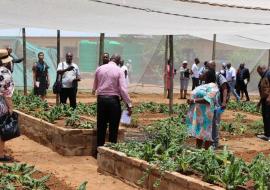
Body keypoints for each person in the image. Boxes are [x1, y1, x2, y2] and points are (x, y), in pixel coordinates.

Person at [92, 54, 132, 151]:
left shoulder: (99, 69)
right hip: (113, 101)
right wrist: (129, 104)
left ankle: (99, 151)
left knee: (101, 126)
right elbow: (123, 89)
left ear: (110, 59)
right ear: (118, 61)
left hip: (101, 100)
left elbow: (94, 87)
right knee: (113, 127)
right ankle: (111, 150)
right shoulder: (119, 70)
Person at [186, 69, 219, 149]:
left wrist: (193, 100)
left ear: (207, 76)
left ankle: (206, 152)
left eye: (203, 73)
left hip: (206, 114)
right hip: (199, 113)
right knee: (199, 133)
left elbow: (208, 99)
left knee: (206, 134)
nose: (201, 74)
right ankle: (198, 150)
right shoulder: (203, 85)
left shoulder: (213, 86)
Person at [208, 61, 230, 149]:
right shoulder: (208, 75)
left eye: (210, 67)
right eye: (207, 67)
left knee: (215, 123)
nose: (208, 68)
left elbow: (224, 88)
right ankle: (209, 141)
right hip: (209, 103)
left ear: (214, 66)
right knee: (209, 122)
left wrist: (224, 102)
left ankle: (215, 143)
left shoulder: (218, 75)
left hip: (217, 104)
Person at [0, 49, 15, 162]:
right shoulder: (5, 72)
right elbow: (7, 93)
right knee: (2, 130)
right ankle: (0, 155)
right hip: (1, 104)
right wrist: (10, 107)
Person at [257, 65, 270, 141]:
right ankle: (266, 134)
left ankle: (269, 136)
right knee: (265, 116)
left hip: (268, 100)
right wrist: (260, 102)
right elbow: (263, 91)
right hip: (264, 99)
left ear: (262, 69)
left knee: (268, 116)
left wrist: (269, 97)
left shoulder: (268, 74)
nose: (259, 74)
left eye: (259, 72)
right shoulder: (264, 76)